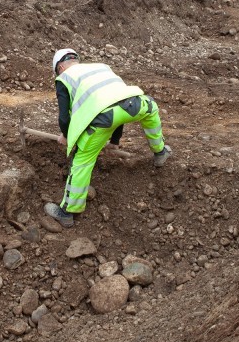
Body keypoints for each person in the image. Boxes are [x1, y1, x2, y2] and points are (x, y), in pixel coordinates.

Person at [44, 48, 171, 228]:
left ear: (60, 68)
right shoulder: (101, 67)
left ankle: (66, 213)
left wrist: (65, 135)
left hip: (102, 119)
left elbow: (65, 117)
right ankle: (160, 152)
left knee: (82, 161)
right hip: (137, 103)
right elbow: (118, 101)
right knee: (151, 110)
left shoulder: (63, 78)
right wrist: (115, 141)